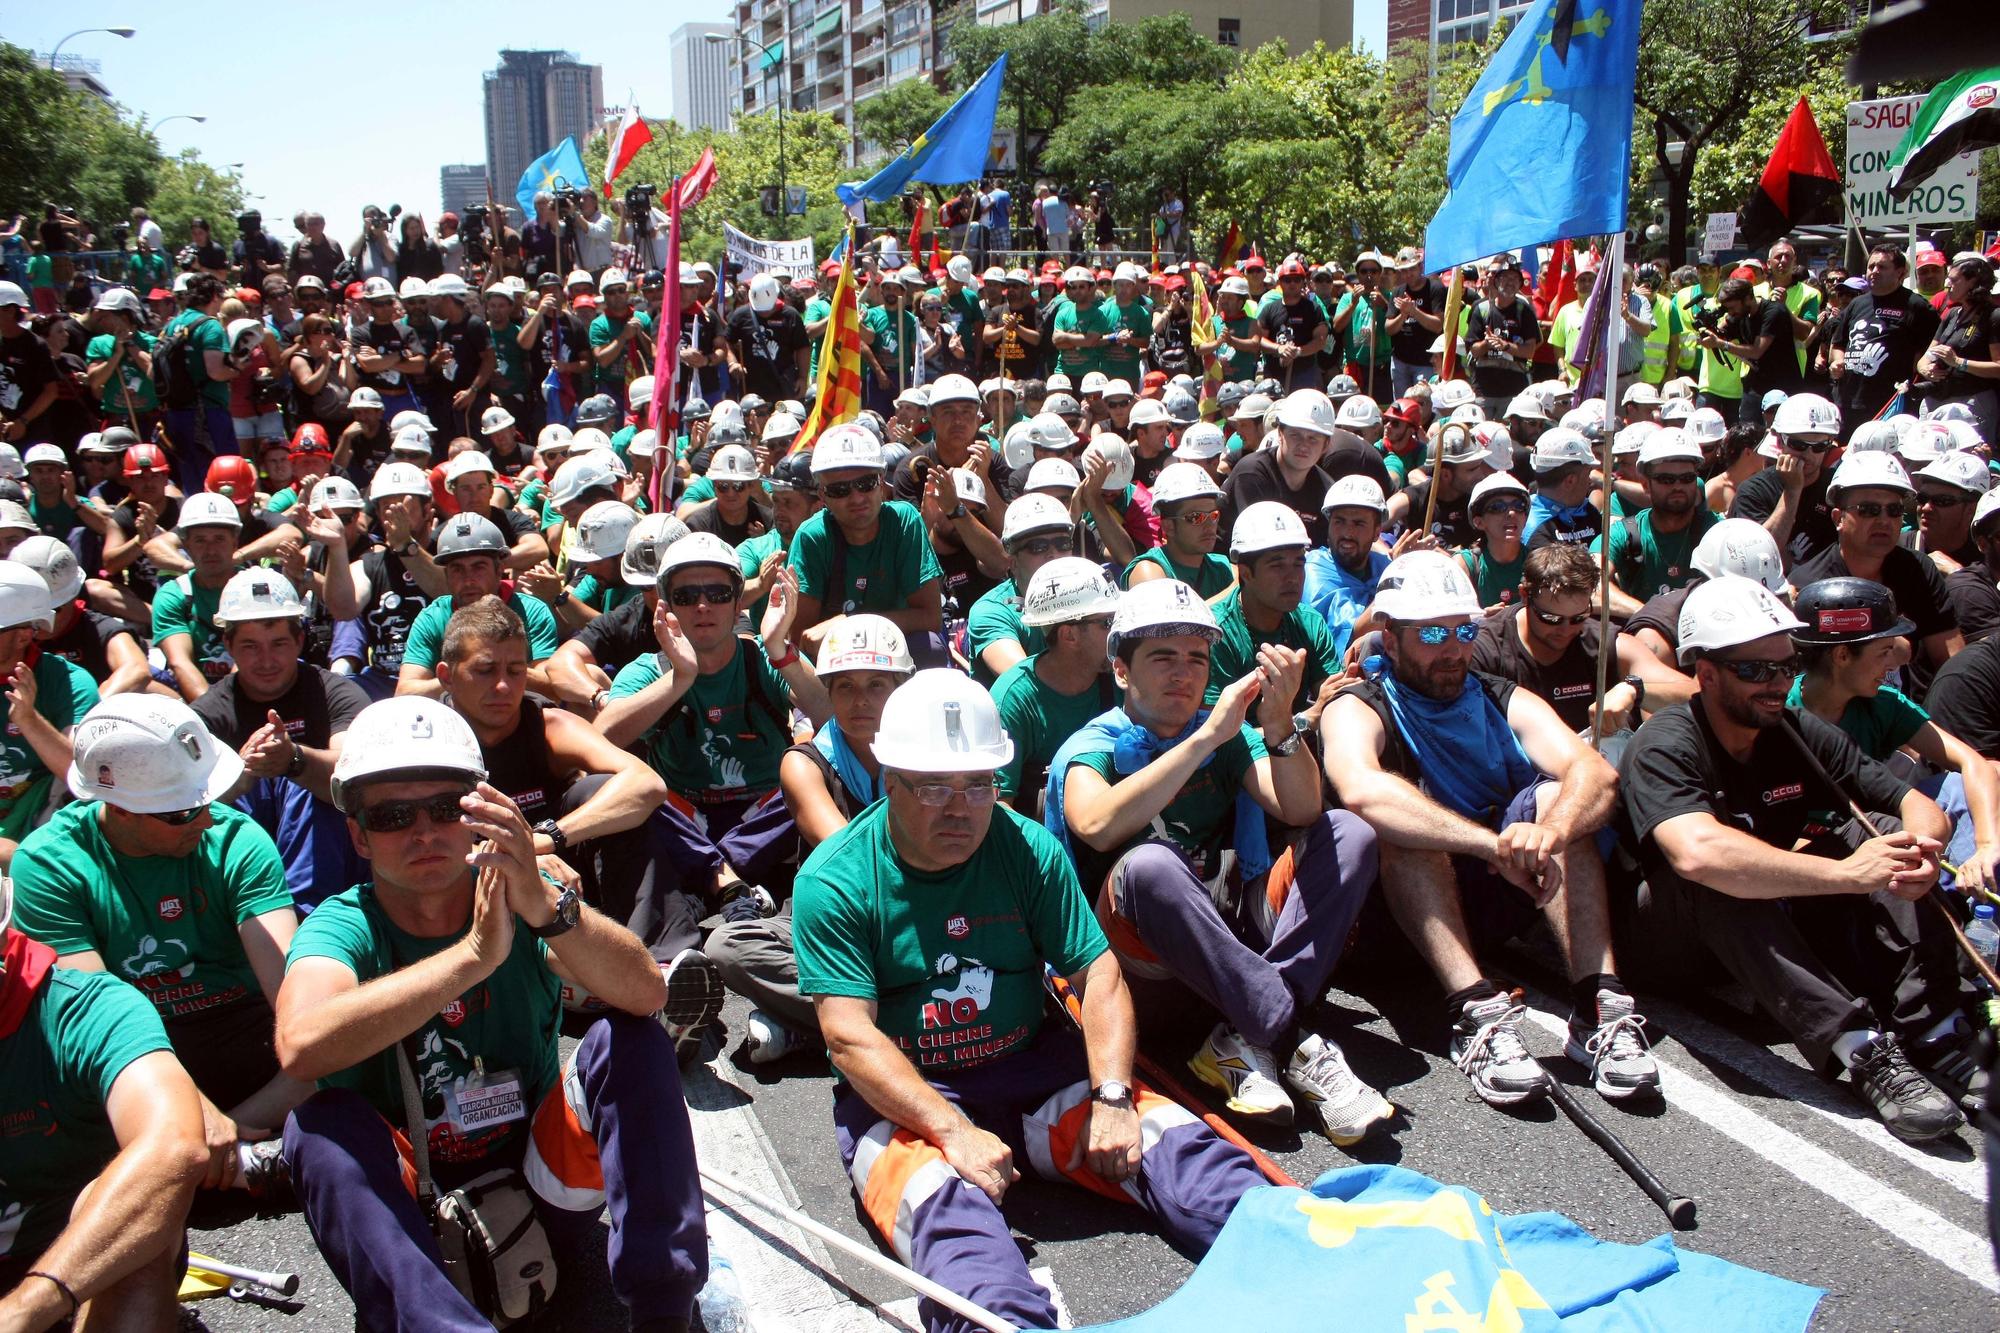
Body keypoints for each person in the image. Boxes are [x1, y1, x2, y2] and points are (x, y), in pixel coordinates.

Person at [795, 668, 1269, 1333]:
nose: (960, 807)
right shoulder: (837, 878)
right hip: (907, 1097)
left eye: (978, 784)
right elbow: (849, 1038)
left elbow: (1098, 974)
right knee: (959, 1246)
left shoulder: (1028, 850)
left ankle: (1314, 1252)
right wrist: (951, 1129)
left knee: (1187, 1157)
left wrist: (1110, 1097)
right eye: (934, 786)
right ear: (889, 776)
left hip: (1032, 1066)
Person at [274, 697, 708, 1330]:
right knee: (317, 1127)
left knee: (631, 1040)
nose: (424, 832)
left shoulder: (525, 892)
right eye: (394, 816)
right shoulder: (346, 925)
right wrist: (472, 959)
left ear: (482, 816)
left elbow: (647, 993)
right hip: (416, 1209)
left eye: (448, 809)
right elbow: (300, 1045)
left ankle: (664, 1308)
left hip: (537, 1179)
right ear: (359, 836)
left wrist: (547, 909)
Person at [1617, 576, 1982, 1139]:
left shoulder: (1790, 728)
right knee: (1717, 872)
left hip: (1769, 921)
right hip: (1675, 939)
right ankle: (1857, 1049)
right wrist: (1844, 875)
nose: (1775, 683)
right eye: (1755, 670)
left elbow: (1908, 800)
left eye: (1785, 667)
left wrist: (1923, 850)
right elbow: (1696, 853)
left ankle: (1932, 1025)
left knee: (1884, 834)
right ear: (1706, 674)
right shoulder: (1667, 742)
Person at [1045, 579, 1387, 1139]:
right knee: (1149, 864)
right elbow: (1097, 825)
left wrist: (1277, 727)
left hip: (1223, 941)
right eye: (1162, 657)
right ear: (1122, 669)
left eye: (1196, 658)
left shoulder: (1226, 732)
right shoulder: (1096, 743)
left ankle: (1243, 1034)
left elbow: (1300, 807)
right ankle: (1288, 1034)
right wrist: (1203, 740)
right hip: (1136, 971)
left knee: (1348, 832)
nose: (1184, 673)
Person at [1322, 552, 1658, 1106]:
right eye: (1432, 633)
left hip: (1494, 894)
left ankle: (1599, 1003)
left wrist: (1549, 832)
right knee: (1403, 822)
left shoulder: (1502, 696)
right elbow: (1363, 790)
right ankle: (1474, 1012)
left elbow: (1593, 774)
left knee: (1559, 800)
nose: (1453, 649)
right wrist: (1490, 845)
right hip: (1387, 922)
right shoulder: (1358, 706)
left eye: (1462, 630)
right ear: (1390, 634)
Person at [11, 695, 307, 1191]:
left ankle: (199, 1161)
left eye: (207, 801)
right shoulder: (48, 864)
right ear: (118, 807)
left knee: (338, 1046)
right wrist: (192, 1110)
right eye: (183, 811)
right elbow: (98, 1021)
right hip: (133, 1051)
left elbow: (299, 1013)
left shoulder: (236, 840)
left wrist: (220, 1125)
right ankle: (240, 1160)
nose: (207, 820)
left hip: (241, 1031)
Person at [0, 877, 209, 1328]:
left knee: (135, 1211)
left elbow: (173, 1147)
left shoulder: (86, 1010)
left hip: (72, 1271)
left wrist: (24, 1310)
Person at [707, 615, 915, 1064]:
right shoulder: (805, 763)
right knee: (728, 946)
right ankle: (910, 1022)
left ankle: (821, 1026)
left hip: (918, 913)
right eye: (844, 687)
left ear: (903, 688)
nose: (860, 701)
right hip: (836, 922)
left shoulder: (927, 750)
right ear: (828, 693)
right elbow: (852, 856)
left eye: (877, 685)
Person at [599, 533, 831, 929]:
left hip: (766, 814)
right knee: (627, 792)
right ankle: (729, 882)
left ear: (739, 601)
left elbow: (831, 717)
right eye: (687, 597)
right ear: (666, 606)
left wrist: (780, 648)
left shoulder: (762, 657)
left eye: (718, 594)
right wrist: (679, 680)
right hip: (686, 817)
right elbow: (600, 739)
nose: (703, 606)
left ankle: (712, 879)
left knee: (823, 768)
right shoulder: (648, 670)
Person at [1790, 576, 2000, 898]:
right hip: (1805, 860)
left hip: (1878, 840)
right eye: (1883, 652)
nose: (1892, 663)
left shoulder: (1882, 703)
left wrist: (1987, 846)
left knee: (1961, 788)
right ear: (1843, 656)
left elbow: (1973, 763)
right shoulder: (1778, 714)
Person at [1469, 543, 1694, 741]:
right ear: (1525, 596)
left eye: (1578, 617)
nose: (1566, 630)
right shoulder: (1485, 649)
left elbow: (1696, 693)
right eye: (1551, 618)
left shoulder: (1604, 642)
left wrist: (1636, 691)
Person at [1789, 451, 1960, 699]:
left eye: (1894, 510)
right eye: (1869, 510)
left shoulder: (1918, 569)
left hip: (1913, 716)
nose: (1884, 520)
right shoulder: (1809, 587)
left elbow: (1951, 659)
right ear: (1838, 518)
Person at [787, 423, 946, 664]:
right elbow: (803, 637)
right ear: (822, 496)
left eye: (866, 483)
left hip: (892, 647)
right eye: (840, 490)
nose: (857, 498)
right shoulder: (812, 536)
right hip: (835, 657)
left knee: (929, 647)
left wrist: (850, 621)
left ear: (881, 482)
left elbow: (930, 617)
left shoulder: (904, 522)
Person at [992, 559, 1120, 812]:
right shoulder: (1013, 699)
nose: (1118, 629)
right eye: (1107, 622)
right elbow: (999, 807)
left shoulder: (1119, 677)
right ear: (1069, 635)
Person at [394, 513, 561, 698]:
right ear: (446, 575)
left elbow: (551, 688)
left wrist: (494, 665)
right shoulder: (432, 617)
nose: (468, 580)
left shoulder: (531, 612)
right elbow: (405, 693)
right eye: (457, 569)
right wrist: (465, 672)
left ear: (499, 570)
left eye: (478, 567)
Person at [1206, 503, 1341, 718]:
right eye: (1277, 566)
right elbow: (1214, 735)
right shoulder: (1215, 634)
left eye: (1298, 564)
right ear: (1246, 573)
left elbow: (1334, 705)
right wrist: (1305, 720)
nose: (1293, 577)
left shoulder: (1310, 623)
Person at [0, 561, 95, 861]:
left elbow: (82, 777)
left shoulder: (69, 682)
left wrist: (29, 720)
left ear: (24, 636)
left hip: (36, 832)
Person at [966, 493, 1075, 685]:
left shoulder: (1091, 594)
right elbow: (1023, 680)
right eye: (1038, 547)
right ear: (1013, 562)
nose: (1053, 554)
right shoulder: (990, 611)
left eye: (1062, 543)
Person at [1828, 244, 1939, 430]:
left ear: (1900, 272)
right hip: (1848, 400)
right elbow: (1838, 343)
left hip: (1889, 404)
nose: (1874, 272)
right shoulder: (1856, 304)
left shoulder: (1917, 307)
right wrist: (1836, 362)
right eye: (1871, 267)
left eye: (1882, 267)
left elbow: (1930, 352)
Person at [1728, 391, 1843, 566]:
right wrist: (1792, 491)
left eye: (1819, 446)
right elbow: (1757, 557)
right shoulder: (1753, 490)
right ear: (1779, 440)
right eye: (1798, 445)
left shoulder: (1837, 487)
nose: (1808, 455)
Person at [1913, 255, 2000, 439]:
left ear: (1973, 282)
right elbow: (1926, 356)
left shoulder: (1993, 316)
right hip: (1936, 398)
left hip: (1972, 402)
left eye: (1953, 280)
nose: (1947, 284)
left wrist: (1959, 362)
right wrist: (1926, 370)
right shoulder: (1952, 314)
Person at [1699, 276, 1801, 427]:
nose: (1730, 312)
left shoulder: (1773, 312)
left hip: (1782, 384)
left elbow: (1756, 351)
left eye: (1733, 308)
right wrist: (1708, 330)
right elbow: (1721, 332)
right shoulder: (1740, 314)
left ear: (1748, 298)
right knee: (1747, 430)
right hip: (1756, 383)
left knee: (1781, 430)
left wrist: (1721, 344)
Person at [1126, 461, 1232, 596]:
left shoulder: (1222, 567)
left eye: (1213, 515)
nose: (1209, 524)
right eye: (1195, 517)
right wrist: (1233, 590)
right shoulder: (1149, 571)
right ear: (1167, 526)